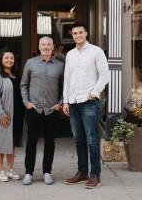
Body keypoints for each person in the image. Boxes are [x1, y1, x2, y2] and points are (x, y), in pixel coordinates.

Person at [63, 23, 109, 189]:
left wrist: (95, 92)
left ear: (86, 33)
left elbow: (105, 75)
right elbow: (67, 79)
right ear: (72, 35)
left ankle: (95, 175)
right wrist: (66, 101)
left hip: (89, 101)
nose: (78, 35)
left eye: (80, 32)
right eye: (75, 33)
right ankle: (82, 172)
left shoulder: (96, 51)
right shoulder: (70, 54)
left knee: (92, 139)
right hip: (74, 102)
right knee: (79, 139)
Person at [20, 36, 64, 185]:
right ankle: (28, 172)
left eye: (48, 45)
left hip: (51, 109)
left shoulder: (60, 65)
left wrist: (60, 103)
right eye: (43, 44)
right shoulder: (30, 63)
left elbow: (65, 87)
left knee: (50, 142)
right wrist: (26, 102)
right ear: (39, 46)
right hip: (34, 109)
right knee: (31, 141)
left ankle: (47, 172)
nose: (46, 47)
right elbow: (23, 85)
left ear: (53, 47)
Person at [0, 49, 24, 182]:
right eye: (6, 58)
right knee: (0, 143)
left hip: (17, 115)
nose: (9, 60)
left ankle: (10, 170)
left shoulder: (16, 75)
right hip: (3, 115)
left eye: (11, 58)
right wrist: (1, 113)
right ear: (1, 60)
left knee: (12, 143)